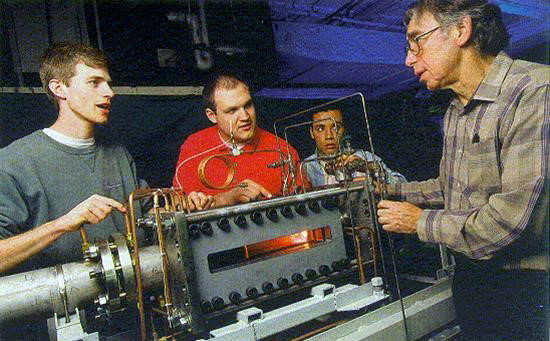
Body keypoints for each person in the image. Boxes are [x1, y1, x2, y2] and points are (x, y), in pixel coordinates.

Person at [376, 0, 548, 341]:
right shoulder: (456, 108)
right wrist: (382, 190)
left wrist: (418, 222)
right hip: (472, 280)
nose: (409, 59)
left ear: (461, 30)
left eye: (416, 41)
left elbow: (509, 223)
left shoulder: (533, 92)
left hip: (524, 289)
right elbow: (447, 187)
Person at [0, 43, 212, 275]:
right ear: (59, 88)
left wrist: (182, 209)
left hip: (135, 299)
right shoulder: (15, 162)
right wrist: (63, 224)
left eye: (108, 83)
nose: (109, 92)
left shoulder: (118, 152)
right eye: (94, 82)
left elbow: (146, 216)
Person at [172, 73, 301, 206]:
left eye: (248, 105)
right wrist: (225, 199)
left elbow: (305, 215)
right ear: (212, 116)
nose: (245, 117)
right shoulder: (193, 146)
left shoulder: (284, 151)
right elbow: (176, 206)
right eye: (232, 111)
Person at [303, 108, 407, 187]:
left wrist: (373, 170)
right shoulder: (305, 168)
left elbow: (404, 186)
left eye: (335, 127)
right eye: (320, 128)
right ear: (312, 133)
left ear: (343, 129)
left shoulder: (365, 158)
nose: (329, 136)